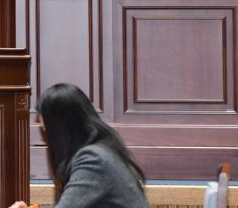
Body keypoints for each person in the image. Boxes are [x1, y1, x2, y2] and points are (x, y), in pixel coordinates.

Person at [9, 83, 149, 208]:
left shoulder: (94, 160)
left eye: (47, 131)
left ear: (61, 130)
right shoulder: (102, 151)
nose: (46, 140)